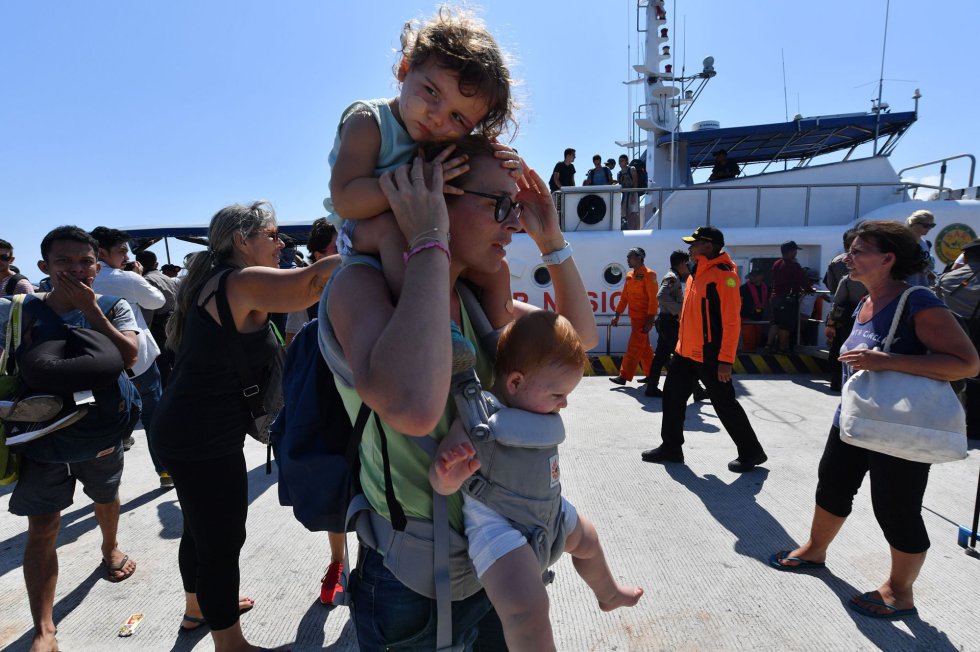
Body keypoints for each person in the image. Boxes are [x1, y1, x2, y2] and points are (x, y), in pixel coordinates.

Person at [323, 136, 598, 649]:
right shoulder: (359, 287)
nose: (514, 224)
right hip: (413, 581)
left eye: (515, 208)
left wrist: (552, 240)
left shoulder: (472, 298)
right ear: (438, 195)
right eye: (500, 206)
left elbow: (578, 341)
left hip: (489, 558)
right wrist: (426, 235)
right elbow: (415, 410)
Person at [151, 201, 339, 651]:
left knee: (200, 528)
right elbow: (312, 283)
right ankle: (230, 643)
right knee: (222, 538)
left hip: (186, 429)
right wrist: (370, 245)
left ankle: (198, 609)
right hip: (203, 437)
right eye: (273, 236)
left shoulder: (215, 280)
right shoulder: (241, 280)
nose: (281, 244)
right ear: (241, 240)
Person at [769, 220, 979, 620]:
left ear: (888, 258)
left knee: (896, 506)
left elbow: (966, 364)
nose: (849, 256)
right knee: (832, 482)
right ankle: (815, 550)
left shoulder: (919, 301)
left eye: (859, 250)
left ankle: (900, 592)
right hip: (854, 418)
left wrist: (890, 361)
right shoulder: (865, 301)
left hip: (901, 425)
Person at [430, 311, 642, 651]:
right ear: (515, 383)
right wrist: (446, 477)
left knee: (588, 540)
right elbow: (441, 477)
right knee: (527, 608)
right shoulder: (480, 411)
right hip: (499, 525)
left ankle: (608, 593)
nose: (565, 403)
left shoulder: (538, 406)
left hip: (551, 510)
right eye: (558, 395)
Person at [323, 6, 519, 329]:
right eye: (431, 92)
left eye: (458, 118)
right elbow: (345, 198)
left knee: (498, 271)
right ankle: (426, 328)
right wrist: (416, 184)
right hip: (361, 231)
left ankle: (500, 349)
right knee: (390, 229)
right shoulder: (369, 122)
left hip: (414, 231)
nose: (438, 117)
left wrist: (509, 161)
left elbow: (479, 163)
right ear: (404, 68)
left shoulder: (440, 139)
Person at [3, 226, 142, 652]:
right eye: (64, 262)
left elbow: (130, 355)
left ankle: (110, 547)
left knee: (106, 495)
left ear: (97, 266)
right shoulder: (17, 311)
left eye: (85, 262)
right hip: (40, 438)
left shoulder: (114, 306)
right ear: (45, 267)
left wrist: (92, 312)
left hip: (100, 430)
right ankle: (44, 629)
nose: (76, 270)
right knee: (43, 526)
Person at [641, 226, 768, 472]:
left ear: (708, 246)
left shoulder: (724, 275)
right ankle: (671, 447)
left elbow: (732, 321)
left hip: (710, 354)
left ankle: (752, 451)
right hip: (685, 351)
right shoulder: (695, 273)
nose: (690, 248)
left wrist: (726, 361)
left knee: (724, 403)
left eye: (694, 243)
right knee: (673, 396)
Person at [89, 227, 170, 487]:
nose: (126, 256)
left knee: (107, 416)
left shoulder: (82, 280)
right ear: (102, 252)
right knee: (152, 415)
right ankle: (165, 471)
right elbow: (157, 302)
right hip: (139, 360)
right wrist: (136, 277)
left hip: (99, 361)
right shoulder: (127, 279)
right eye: (121, 250)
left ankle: (104, 484)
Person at [644, 250, 708, 399]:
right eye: (687, 263)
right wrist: (680, 310)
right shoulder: (672, 278)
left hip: (667, 323)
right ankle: (697, 390)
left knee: (660, 356)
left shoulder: (675, 277)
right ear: (681, 264)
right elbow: (661, 296)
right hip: (670, 324)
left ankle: (652, 387)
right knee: (684, 357)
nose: (689, 266)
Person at [935, 238, 980, 440]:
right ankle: (975, 427)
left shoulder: (946, 279)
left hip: (951, 336)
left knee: (949, 380)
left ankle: (946, 423)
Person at [609, 247, 658, 385]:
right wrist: (617, 315)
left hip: (644, 319)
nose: (627, 260)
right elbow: (624, 297)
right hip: (634, 318)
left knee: (634, 347)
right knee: (645, 349)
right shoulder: (630, 276)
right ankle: (651, 375)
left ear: (640, 257)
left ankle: (623, 376)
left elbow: (653, 299)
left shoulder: (649, 275)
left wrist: (650, 320)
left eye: (630, 257)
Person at [136, 249, 179, 387]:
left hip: (158, 325)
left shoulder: (145, 280)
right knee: (176, 358)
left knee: (162, 362)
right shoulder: (169, 279)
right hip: (174, 321)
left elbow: (148, 310)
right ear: (156, 263)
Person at [824, 229, 860, 389]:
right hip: (862, 313)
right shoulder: (872, 263)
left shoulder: (835, 263)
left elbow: (831, 287)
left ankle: (836, 380)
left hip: (842, 314)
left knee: (838, 347)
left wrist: (831, 321)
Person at [766, 240, 810, 353]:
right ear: (791, 251)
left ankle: (768, 346)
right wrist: (810, 290)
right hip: (787, 301)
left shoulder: (776, 264)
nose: (796, 253)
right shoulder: (794, 265)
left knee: (775, 323)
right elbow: (802, 281)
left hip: (775, 299)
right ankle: (782, 348)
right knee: (785, 327)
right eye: (795, 250)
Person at [739, 269, 769, 352]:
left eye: (755, 275)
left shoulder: (767, 288)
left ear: (761, 276)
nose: (752, 277)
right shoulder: (743, 288)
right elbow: (738, 303)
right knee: (749, 339)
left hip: (761, 318)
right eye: (751, 275)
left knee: (758, 339)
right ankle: (747, 356)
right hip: (747, 317)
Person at [905, 210, 937, 286]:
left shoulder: (925, 243)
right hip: (904, 287)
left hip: (921, 287)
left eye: (932, 225)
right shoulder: (903, 241)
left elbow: (926, 268)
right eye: (925, 225)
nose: (929, 228)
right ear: (913, 223)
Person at [617, 154, 641, 229]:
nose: (620, 162)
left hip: (632, 193)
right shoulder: (619, 173)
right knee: (625, 214)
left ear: (626, 161)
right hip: (625, 195)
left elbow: (635, 181)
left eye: (622, 161)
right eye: (619, 161)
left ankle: (637, 229)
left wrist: (633, 194)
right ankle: (630, 229)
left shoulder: (632, 169)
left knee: (634, 213)